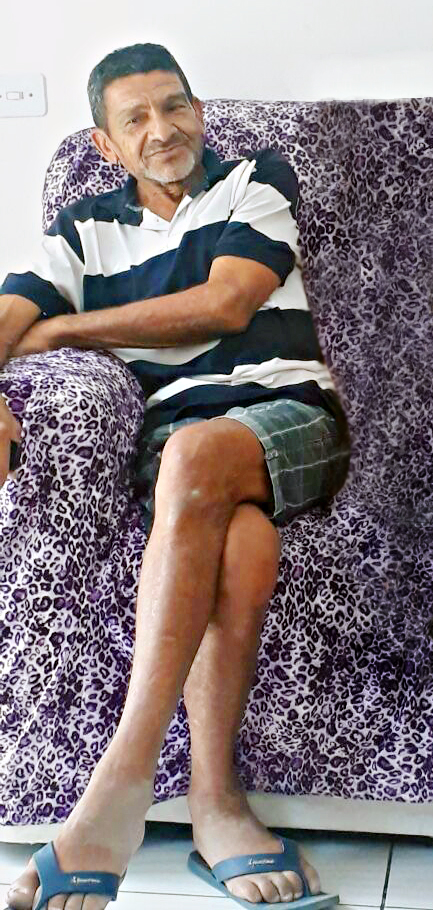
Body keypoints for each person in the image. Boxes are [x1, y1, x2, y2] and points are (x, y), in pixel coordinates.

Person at [0, 43, 349, 910]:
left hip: (290, 415)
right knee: (240, 535)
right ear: (106, 143)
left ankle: (118, 787)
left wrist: (65, 329)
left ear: (197, 111)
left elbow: (225, 304)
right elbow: (9, 312)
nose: (162, 129)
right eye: (136, 118)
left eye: (174, 106)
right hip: (183, 449)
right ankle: (214, 802)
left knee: (196, 455)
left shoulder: (254, 181)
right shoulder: (82, 231)